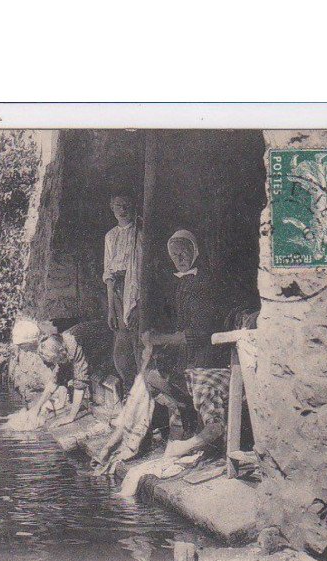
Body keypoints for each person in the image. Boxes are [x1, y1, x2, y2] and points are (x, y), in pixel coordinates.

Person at [145, 230, 230, 459]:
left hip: (208, 353)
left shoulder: (203, 283)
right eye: (174, 254)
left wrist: (161, 339)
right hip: (189, 353)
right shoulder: (183, 282)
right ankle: (186, 426)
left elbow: (198, 333)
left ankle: (204, 444)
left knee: (190, 387)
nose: (179, 258)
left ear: (195, 251)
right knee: (153, 376)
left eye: (183, 252)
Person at [92, 331, 187, 475]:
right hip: (157, 378)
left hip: (175, 394)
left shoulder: (161, 377)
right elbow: (131, 413)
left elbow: (177, 412)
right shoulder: (146, 377)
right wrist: (109, 447)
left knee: (174, 410)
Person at [103, 191, 143, 396]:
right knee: (121, 342)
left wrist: (138, 301)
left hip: (135, 289)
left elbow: (141, 269)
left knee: (137, 339)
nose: (122, 209)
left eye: (126, 204)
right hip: (118, 291)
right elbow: (109, 274)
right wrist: (111, 308)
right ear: (112, 208)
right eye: (118, 205)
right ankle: (129, 388)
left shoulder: (139, 233)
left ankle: (143, 390)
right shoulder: (110, 236)